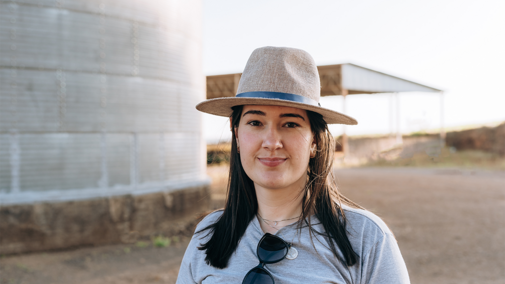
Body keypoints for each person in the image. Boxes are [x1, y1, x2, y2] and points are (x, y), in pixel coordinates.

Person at [176, 46, 410, 284]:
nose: (271, 142)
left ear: (315, 141)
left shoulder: (366, 237)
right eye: (256, 122)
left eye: (290, 124)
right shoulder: (209, 233)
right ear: (236, 135)